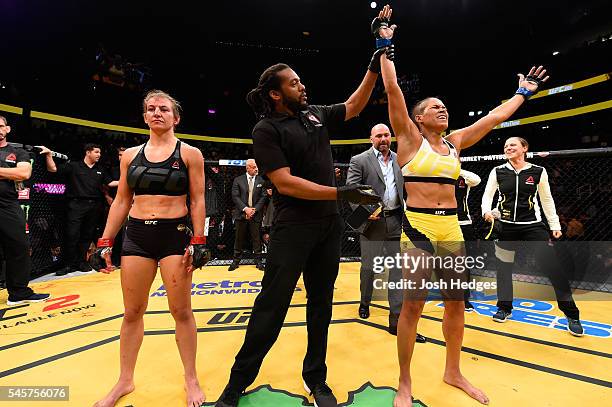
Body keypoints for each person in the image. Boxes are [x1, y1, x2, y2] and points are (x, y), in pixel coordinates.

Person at [376, 5, 549, 405]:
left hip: (451, 228)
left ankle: (453, 371)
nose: (442, 109)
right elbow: (393, 90)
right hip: (418, 231)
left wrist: (523, 94)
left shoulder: (455, 143)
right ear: (417, 119)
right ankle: (405, 382)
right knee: (413, 308)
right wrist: (385, 44)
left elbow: (492, 118)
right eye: (433, 107)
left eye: (444, 107)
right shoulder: (408, 140)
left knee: (456, 305)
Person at [215, 56, 382, 407]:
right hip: (293, 228)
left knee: (321, 305)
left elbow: (353, 105)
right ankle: (237, 382)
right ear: (275, 94)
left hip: (328, 226)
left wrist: (374, 64)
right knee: (271, 306)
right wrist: (341, 193)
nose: (302, 86)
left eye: (300, 81)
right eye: (293, 83)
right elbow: (285, 183)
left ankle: (316, 379)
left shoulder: (315, 113)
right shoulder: (266, 129)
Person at [88, 90, 210, 407]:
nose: (157, 113)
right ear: (144, 116)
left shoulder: (190, 154)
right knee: (132, 312)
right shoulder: (129, 155)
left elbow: (197, 200)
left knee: (181, 311)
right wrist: (105, 240)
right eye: (151, 109)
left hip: (175, 236)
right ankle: (124, 380)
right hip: (138, 235)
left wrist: (199, 240)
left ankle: (191, 379)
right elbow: (122, 201)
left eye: (164, 109)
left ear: (176, 117)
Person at [481, 136, 582, 336]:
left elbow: (547, 199)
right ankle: (504, 307)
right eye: (506, 146)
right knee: (503, 268)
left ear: (524, 148)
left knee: (552, 267)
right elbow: (487, 195)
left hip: (533, 227)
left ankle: (572, 314)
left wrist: (554, 224)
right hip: (506, 228)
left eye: (513, 145)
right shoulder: (498, 171)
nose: (508, 147)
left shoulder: (538, 171)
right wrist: (486, 211)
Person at [346, 123, 414, 338]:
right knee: (368, 267)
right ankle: (364, 302)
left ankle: (395, 319)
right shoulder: (359, 160)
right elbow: (351, 190)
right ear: (371, 138)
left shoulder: (400, 158)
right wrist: (365, 212)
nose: (383, 139)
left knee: (397, 271)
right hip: (371, 223)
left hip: (396, 219)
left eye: (386, 135)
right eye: (379, 136)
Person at [45, 143, 118, 275]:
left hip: (94, 206)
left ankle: (81, 262)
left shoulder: (100, 169)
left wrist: (128, 178)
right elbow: (53, 169)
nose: (99, 155)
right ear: (88, 152)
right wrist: (49, 155)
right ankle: (68, 264)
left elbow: (110, 183)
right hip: (76, 204)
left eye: (100, 153)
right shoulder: (74, 166)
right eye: (96, 152)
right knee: (72, 234)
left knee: (87, 235)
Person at [0, 115, 50, 305]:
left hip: (8, 205)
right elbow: (15, 174)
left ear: (7, 129)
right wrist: (8, 174)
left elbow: (23, 173)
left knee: (19, 247)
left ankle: (19, 292)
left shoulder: (17, 152)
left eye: (1, 126)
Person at [229, 159, 267, 271]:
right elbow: (235, 196)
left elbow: (263, 196)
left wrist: (254, 210)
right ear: (248, 168)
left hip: (255, 213)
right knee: (238, 238)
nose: (257, 169)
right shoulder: (238, 180)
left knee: (256, 238)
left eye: (257, 166)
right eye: (254, 167)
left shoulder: (261, 180)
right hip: (241, 214)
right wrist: (246, 209)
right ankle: (236, 261)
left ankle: (258, 261)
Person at [455, 169, 481, 311]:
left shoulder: (463, 178)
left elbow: (476, 179)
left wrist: (456, 168)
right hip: (443, 223)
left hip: (464, 223)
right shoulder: (437, 174)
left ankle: (464, 298)